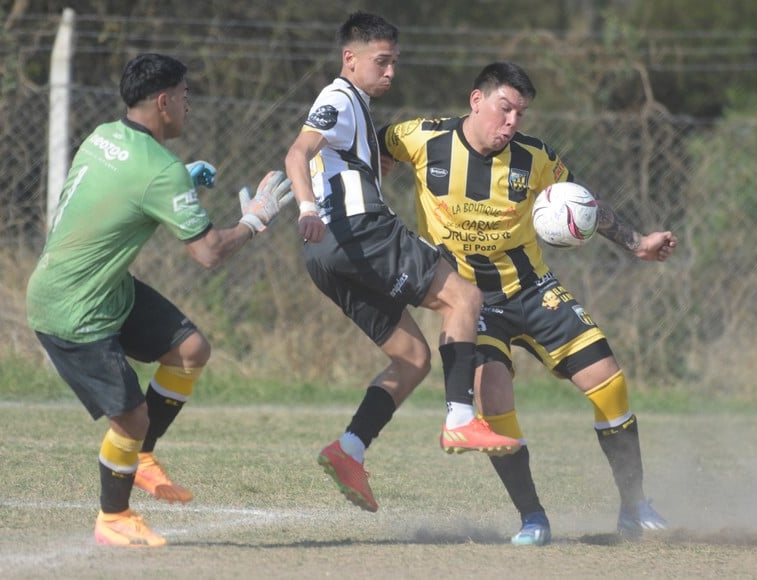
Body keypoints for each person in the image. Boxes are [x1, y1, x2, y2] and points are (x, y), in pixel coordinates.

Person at [378, 61, 676, 544]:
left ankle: (634, 505)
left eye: (521, 112)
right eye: (505, 108)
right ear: (477, 100)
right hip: (468, 302)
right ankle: (533, 518)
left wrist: (637, 242)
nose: (512, 121)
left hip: (534, 289)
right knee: (493, 399)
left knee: (609, 382)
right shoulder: (421, 138)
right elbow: (370, 140)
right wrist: (375, 160)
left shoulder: (535, 157)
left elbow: (585, 203)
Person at [26, 53, 293, 547]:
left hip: (103, 289)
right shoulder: (159, 170)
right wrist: (255, 220)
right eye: (186, 95)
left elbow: (113, 191)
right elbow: (210, 253)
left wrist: (180, 180)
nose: (191, 105)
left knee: (190, 350)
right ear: (165, 101)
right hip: (72, 307)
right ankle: (114, 517)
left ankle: (142, 456)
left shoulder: (104, 135)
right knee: (130, 417)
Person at [284, 13, 520, 514]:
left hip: (324, 256)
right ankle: (460, 416)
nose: (390, 72)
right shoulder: (340, 98)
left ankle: (349, 450)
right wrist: (305, 207)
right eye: (381, 61)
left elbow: (321, 159)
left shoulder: (356, 111)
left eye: (394, 62)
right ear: (351, 59)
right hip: (360, 232)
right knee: (465, 297)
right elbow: (297, 153)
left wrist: (363, 166)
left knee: (412, 358)